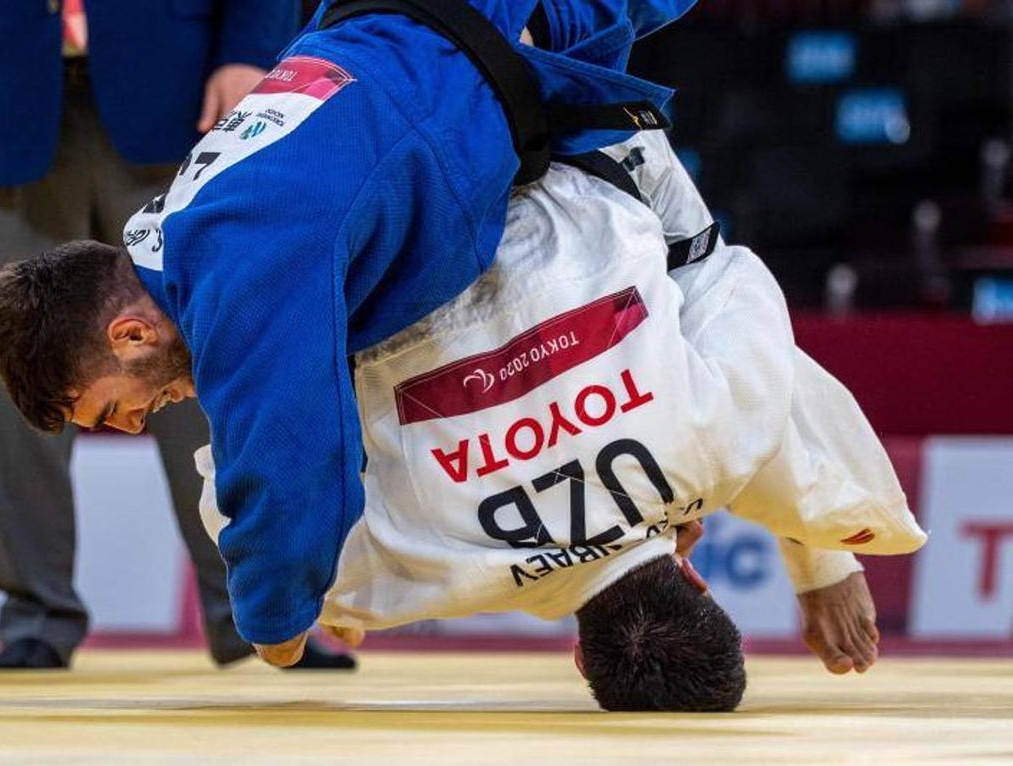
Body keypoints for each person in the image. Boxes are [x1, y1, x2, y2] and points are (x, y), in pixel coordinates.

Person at [0, 0, 703, 665]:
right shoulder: (180, 233)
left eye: (111, 409)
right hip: (445, 37)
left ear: (131, 334)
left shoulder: (233, 267)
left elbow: (287, 466)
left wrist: (277, 627)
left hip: (476, 34)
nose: (136, 425)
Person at [194, 129, 927, 709]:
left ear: (699, 585)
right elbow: (232, 481)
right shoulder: (411, 578)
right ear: (583, 657)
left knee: (697, 270)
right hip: (392, 206)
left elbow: (733, 288)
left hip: (573, 137)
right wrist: (310, 586)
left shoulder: (717, 442)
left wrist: (823, 560)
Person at [0, 0, 353, 670]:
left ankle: (260, 611)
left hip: (180, 91)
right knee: (11, 384)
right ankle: (34, 617)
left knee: (205, 357)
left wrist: (251, 49)